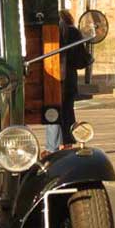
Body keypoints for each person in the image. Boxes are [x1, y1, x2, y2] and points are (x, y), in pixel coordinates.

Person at [45, 9, 92, 152]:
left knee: (52, 114)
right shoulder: (73, 32)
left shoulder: (48, 31)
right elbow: (80, 59)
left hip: (50, 78)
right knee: (68, 112)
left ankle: (53, 147)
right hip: (69, 80)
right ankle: (67, 144)